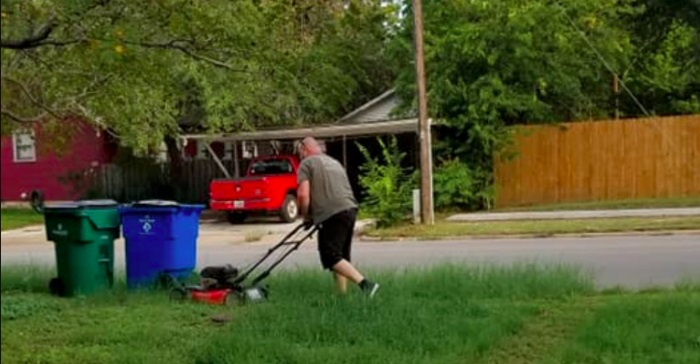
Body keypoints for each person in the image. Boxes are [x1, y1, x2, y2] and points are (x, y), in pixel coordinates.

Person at [296, 136, 380, 297]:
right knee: (340, 258)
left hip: (332, 214)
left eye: (300, 152)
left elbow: (303, 195)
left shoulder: (306, 163)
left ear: (305, 149)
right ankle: (341, 296)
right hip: (350, 209)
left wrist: (306, 216)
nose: (300, 155)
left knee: (330, 255)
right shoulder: (334, 162)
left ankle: (366, 284)